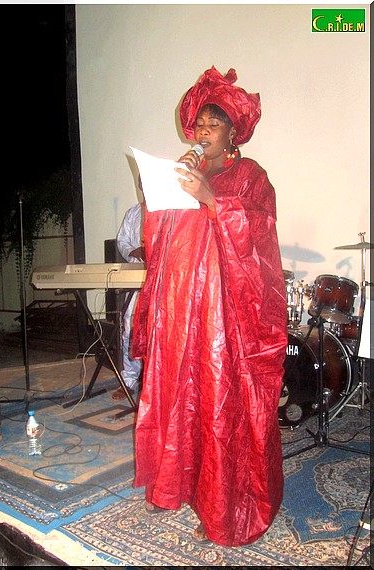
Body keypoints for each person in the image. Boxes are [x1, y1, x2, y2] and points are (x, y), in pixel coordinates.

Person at [132, 66, 288, 547]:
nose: (202, 132)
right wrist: (163, 194)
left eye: (213, 124)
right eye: (198, 124)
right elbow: (162, 240)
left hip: (227, 316)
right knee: (177, 393)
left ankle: (224, 506)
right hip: (184, 308)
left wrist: (211, 199)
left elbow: (259, 232)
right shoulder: (188, 173)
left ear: (232, 132)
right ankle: (172, 485)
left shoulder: (250, 175)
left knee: (219, 405)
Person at [112, 178, 145, 401]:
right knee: (130, 328)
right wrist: (133, 251)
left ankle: (153, 384)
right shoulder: (133, 213)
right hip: (136, 277)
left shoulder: (168, 211)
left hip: (162, 278)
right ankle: (129, 381)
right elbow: (121, 240)